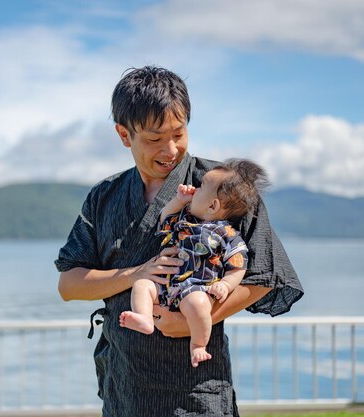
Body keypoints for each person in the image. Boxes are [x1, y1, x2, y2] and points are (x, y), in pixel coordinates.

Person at [56, 66, 303, 417]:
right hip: (124, 387)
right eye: (155, 139)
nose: (170, 149)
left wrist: (194, 321)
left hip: (198, 389)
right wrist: (135, 275)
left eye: (179, 132)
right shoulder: (104, 197)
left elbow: (264, 276)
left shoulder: (224, 187)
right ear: (124, 135)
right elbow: (68, 284)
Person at [119, 159, 269, 367]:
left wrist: (225, 285)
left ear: (213, 205)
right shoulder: (184, 220)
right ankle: (144, 318)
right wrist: (179, 200)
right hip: (166, 285)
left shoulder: (228, 235)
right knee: (142, 285)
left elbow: (238, 266)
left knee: (198, 305)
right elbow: (165, 217)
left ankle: (198, 345)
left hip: (198, 288)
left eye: (201, 188)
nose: (195, 189)